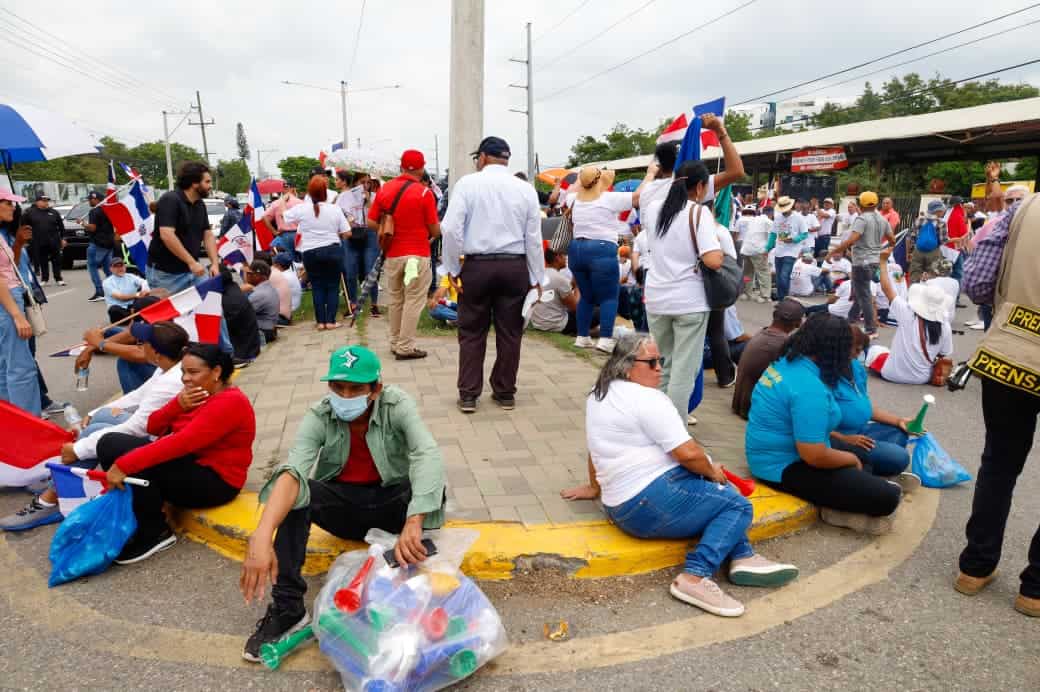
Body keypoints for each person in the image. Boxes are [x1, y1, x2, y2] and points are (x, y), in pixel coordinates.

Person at [560, 333, 799, 617]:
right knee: (737, 506)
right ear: (626, 366)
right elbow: (687, 454)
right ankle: (695, 576)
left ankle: (743, 556)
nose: (659, 367)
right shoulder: (649, 399)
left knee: (717, 495)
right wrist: (712, 471)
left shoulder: (599, 392)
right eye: (651, 362)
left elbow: (596, 447)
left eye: (660, 360)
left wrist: (594, 487)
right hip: (647, 503)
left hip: (619, 505)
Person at [238, 345, 446, 659]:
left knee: (431, 480)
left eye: (355, 388)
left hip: (395, 506)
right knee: (298, 492)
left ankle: (413, 567)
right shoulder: (319, 414)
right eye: (338, 388)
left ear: (375, 388)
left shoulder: (397, 404)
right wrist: (262, 535)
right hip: (347, 509)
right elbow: (293, 471)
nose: (345, 397)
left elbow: (426, 453)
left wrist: (414, 520)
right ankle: (288, 609)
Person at [0, 322, 189, 531]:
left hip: (164, 443)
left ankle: (50, 499)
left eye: (142, 343)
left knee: (95, 432)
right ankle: (61, 483)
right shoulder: (168, 368)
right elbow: (139, 395)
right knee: (101, 419)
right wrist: (94, 412)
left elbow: (138, 428)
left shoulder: (171, 381)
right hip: (158, 432)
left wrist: (78, 449)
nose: (138, 345)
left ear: (155, 352)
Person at [745, 313, 903, 534]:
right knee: (888, 498)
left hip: (774, 452)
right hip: (782, 466)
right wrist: (850, 460)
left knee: (864, 457)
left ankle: (846, 494)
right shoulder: (809, 388)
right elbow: (814, 455)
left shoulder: (790, 361)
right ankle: (838, 508)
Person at [959, 193, 1040, 617]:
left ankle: (975, 567)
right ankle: (1035, 590)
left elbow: (976, 283)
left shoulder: (1024, 209)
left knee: (1000, 462)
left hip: (1011, 351)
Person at [440, 136, 544, 413]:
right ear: (506, 159)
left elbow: (450, 229)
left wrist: (451, 268)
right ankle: (505, 391)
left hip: (477, 266)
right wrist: (537, 278)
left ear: (483, 157)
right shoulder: (525, 189)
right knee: (510, 332)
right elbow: (533, 238)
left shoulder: (467, 184)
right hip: (514, 267)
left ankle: (469, 394)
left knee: (472, 331)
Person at [645, 156, 741, 420]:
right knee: (683, 372)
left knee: (663, 365)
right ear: (700, 187)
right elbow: (712, 259)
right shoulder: (699, 213)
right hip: (689, 302)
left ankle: (657, 423)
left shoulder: (652, 208)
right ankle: (674, 432)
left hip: (656, 299)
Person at [565, 162, 657, 353]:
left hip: (576, 250)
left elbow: (574, 188)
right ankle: (605, 339)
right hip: (601, 249)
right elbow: (638, 197)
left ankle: (582, 336)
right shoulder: (609, 198)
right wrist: (649, 174)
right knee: (609, 297)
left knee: (587, 296)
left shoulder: (573, 199)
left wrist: (583, 177)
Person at [366, 150, 441, 358]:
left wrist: (389, 226)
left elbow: (371, 222)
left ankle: (395, 341)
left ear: (401, 167)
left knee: (396, 298)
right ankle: (405, 347)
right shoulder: (425, 193)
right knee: (414, 299)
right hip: (416, 256)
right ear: (421, 168)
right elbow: (435, 230)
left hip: (393, 255)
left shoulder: (385, 190)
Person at [831, 327, 916, 481]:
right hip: (838, 439)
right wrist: (843, 439)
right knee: (899, 457)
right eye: (855, 350)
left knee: (900, 433)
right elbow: (812, 429)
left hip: (860, 432)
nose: (858, 356)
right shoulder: (824, 376)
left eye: (861, 351)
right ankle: (859, 467)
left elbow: (865, 408)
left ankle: (863, 464)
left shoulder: (855, 367)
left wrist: (899, 421)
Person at [868, 248, 953, 384]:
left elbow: (887, 289)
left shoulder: (908, 313)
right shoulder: (945, 325)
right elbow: (943, 354)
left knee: (875, 350)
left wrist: (883, 262)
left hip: (891, 374)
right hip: (921, 378)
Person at [829, 191, 895, 336]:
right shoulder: (882, 220)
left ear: (860, 204)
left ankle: (871, 329)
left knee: (863, 295)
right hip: (874, 262)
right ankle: (851, 321)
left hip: (861, 262)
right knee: (860, 292)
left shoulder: (862, 219)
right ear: (876, 204)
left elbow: (852, 239)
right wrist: (887, 249)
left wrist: (832, 252)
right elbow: (892, 239)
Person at [287, 175, 348, 330]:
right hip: (332, 250)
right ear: (325, 193)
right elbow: (347, 232)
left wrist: (284, 198)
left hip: (310, 252)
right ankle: (331, 321)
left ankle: (320, 322)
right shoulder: (334, 209)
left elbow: (284, 216)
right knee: (333, 286)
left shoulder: (302, 209)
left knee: (317, 286)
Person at [148, 161, 221, 292]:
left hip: (193, 270)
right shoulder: (170, 199)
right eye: (207, 182)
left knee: (208, 304)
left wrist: (215, 264)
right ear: (194, 183)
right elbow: (167, 235)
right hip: (166, 274)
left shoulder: (200, 204)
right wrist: (191, 262)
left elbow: (208, 235)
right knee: (170, 312)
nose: (210, 186)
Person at [0, 190, 41, 416]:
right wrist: (16, 315)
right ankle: (30, 424)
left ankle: (12, 421)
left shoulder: (2, 234)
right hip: (7, 302)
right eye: (8, 203)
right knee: (20, 367)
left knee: (6, 366)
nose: (13, 208)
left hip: (7, 300)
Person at [731, 299, 804, 419]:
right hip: (753, 409)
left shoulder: (764, 332)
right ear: (798, 323)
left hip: (742, 403)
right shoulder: (781, 342)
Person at [335, 170, 377, 316]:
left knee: (370, 270)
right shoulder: (345, 196)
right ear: (355, 183)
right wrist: (348, 221)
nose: (365, 185)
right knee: (350, 270)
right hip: (352, 234)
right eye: (362, 182)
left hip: (369, 234)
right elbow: (338, 215)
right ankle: (352, 303)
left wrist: (368, 200)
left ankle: (374, 304)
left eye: (368, 182)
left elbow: (377, 216)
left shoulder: (374, 196)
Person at [529, 247, 583, 335]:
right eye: (563, 256)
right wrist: (578, 286)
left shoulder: (540, 274)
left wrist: (573, 284)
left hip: (538, 322)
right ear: (557, 257)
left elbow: (560, 292)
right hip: (555, 324)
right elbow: (576, 308)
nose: (566, 258)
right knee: (597, 312)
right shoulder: (559, 278)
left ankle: (581, 332)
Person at [219, 265, 262, 367]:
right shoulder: (233, 290)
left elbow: (223, 330)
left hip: (243, 353)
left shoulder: (227, 300)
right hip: (251, 346)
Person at [771, 196, 810, 301]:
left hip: (792, 250)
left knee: (784, 275)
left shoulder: (798, 217)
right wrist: (767, 248)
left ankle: (784, 298)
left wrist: (794, 239)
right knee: (779, 278)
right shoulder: (778, 217)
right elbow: (773, 234)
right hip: (779, 250)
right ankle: (781, 299)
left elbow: (805, 234)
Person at [22, 193, 65, 286]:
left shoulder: (54, 212)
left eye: (47, 201)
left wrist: (63, 239)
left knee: (56, 260)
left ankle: (58, 278)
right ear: (37, 202)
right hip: (39, 241)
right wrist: (26, 240)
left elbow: (61, 227)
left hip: (54, 240)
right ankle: (45, 278)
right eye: (43, 201)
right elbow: (24, 226)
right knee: (43, 260)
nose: (46, 203)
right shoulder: (30, 212)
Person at [83, 190, 117, 301]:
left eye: (90, 199)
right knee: (108, 268)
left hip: (97, 243)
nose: (89, 201)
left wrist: (82, 224)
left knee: (92, 266)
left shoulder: (94, 211)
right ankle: (114, 290)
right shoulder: (109, 210)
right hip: (109, 243)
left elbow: (93, 227)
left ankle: (99, 291)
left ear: (96, 199)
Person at [906, 200, 950, 284]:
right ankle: (929, 293)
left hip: (918, 251)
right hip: (934, 252)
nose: (943, 212)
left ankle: (914, 292)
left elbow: (911, 237)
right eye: (942, 210)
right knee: (933, 274)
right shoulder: (941, 223)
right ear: (938, 211)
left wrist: (909, 252)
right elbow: (943, 240)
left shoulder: (919, 220)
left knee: (915, 273)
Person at [739, 205, 773, 303]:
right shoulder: (769, 222)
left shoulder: (753, 220)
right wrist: (768, 249)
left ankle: (746, 293)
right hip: (758, 249)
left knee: (747, 273)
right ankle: (765, 296)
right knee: (763, 273)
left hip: (746, 249)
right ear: (771, 214)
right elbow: (772, 236)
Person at [102, 256, 149, 323]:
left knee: (147, 299)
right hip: (119, 308)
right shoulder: (107, 282)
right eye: (116, 266)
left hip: (132, 307)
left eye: (121, 266)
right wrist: (137, 295)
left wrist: (144, 290)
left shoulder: (131, 276)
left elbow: (144, 282)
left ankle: (134, 317)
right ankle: (137, 317)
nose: (119, 268)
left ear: (125, 267)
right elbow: (120, 297)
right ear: (111, 269)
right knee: (113, 310)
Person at [243, 260, 279, 343]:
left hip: (263, 332)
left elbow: (241, 314)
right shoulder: (269, 287)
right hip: (270, 329)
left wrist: (237, 291)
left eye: (250, 274)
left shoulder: (259, 294)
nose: (247, 276)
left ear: (258, 276)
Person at [266, 185, 303, 255]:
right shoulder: (301, 202)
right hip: (299, 235)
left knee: (282, 261)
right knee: (302, 261)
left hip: (284, 236)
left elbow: (265, 218)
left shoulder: (276, 203)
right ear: (293, 189)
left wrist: (274, 232)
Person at [273, 253, 301, 321]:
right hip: (292, 307)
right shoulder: (290, 273)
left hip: (285, 312)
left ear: (278, 265)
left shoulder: (281, 276)